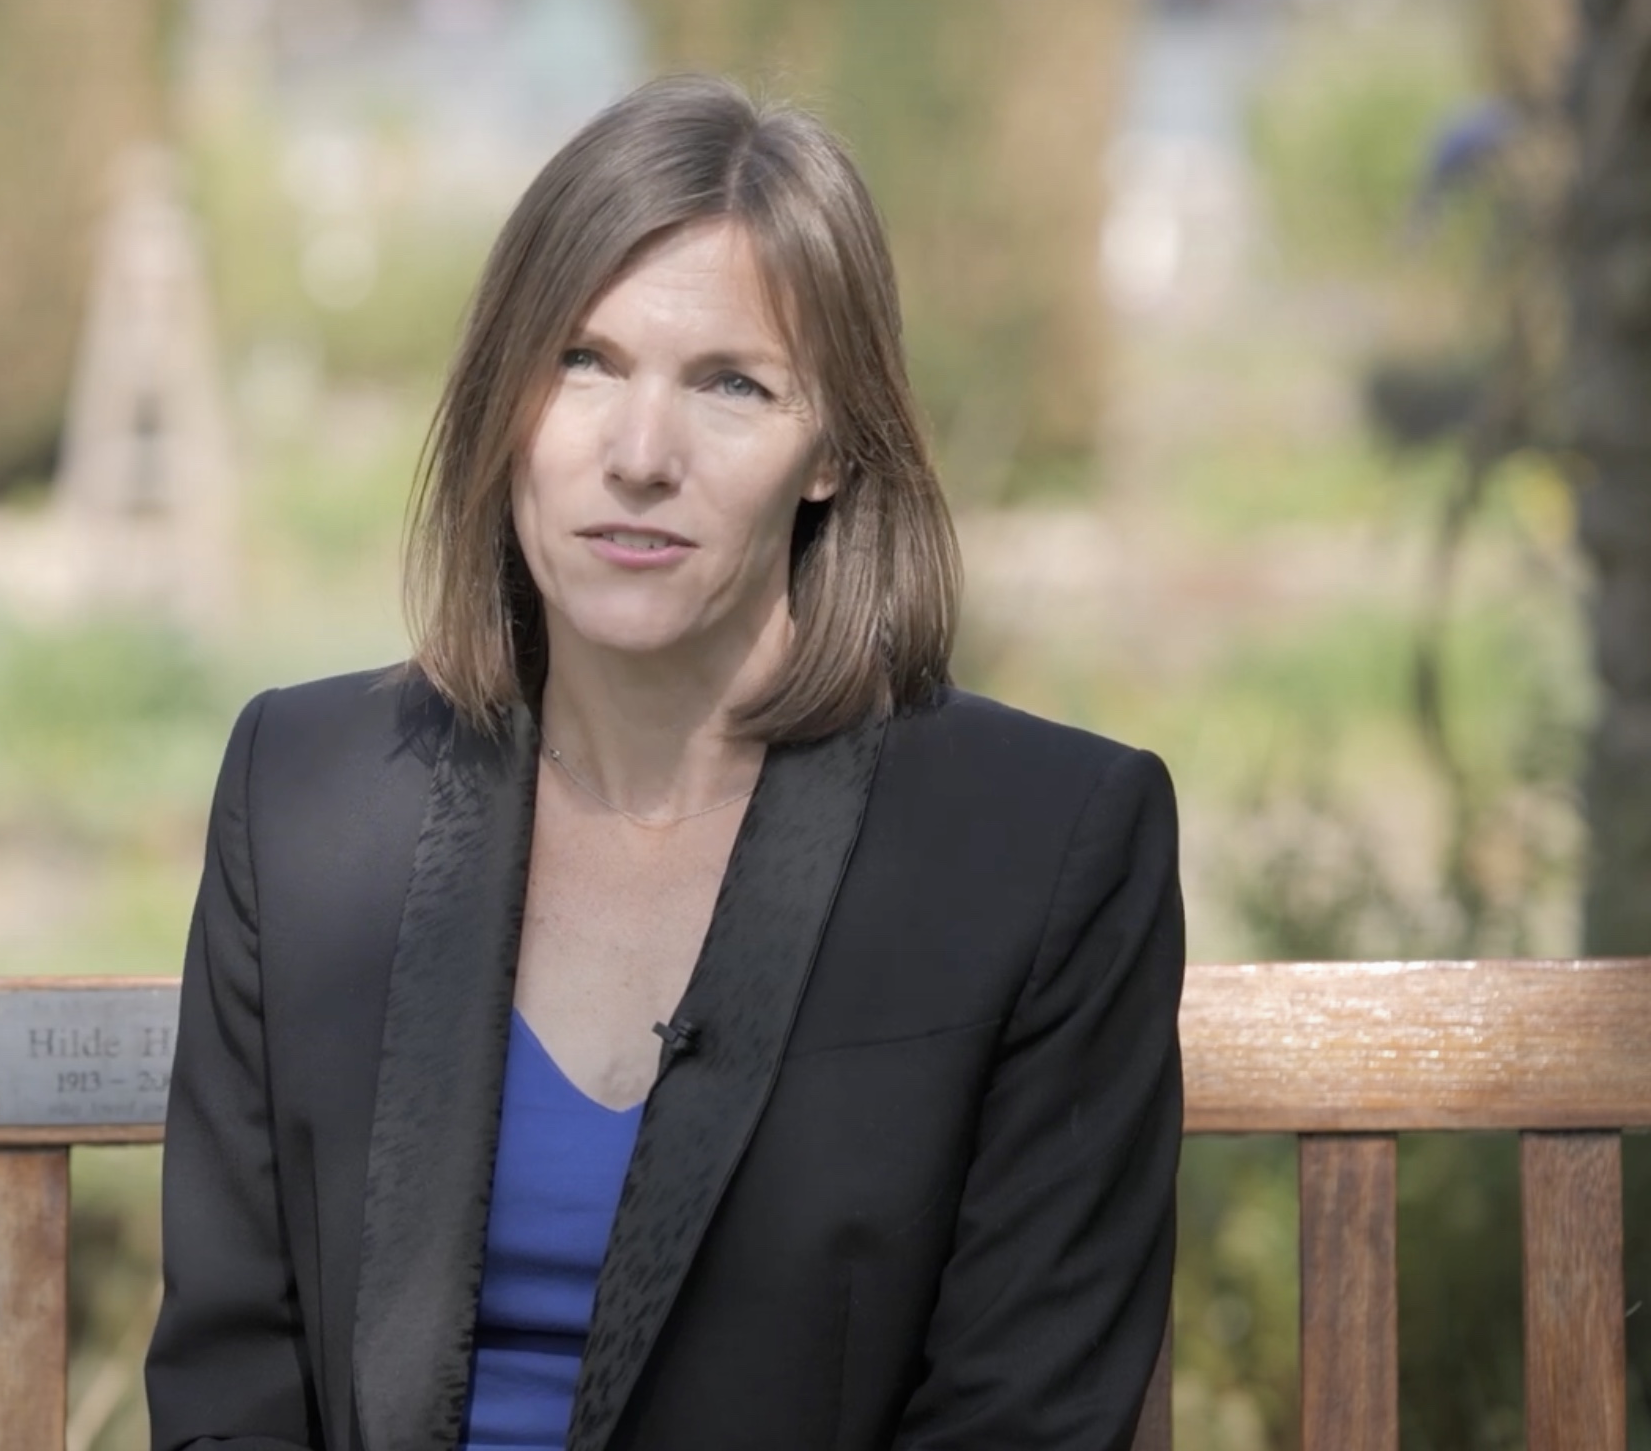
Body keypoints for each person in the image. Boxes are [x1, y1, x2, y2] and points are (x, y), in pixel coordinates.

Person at [144, 74, 1183, 1451]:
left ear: (833, 450)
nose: (640, 455)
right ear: (501, 405)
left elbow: (1024, 1421)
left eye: (731, 385)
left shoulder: (1042, 845)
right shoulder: (305, 795)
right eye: (583, 362)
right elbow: (229, 1388)